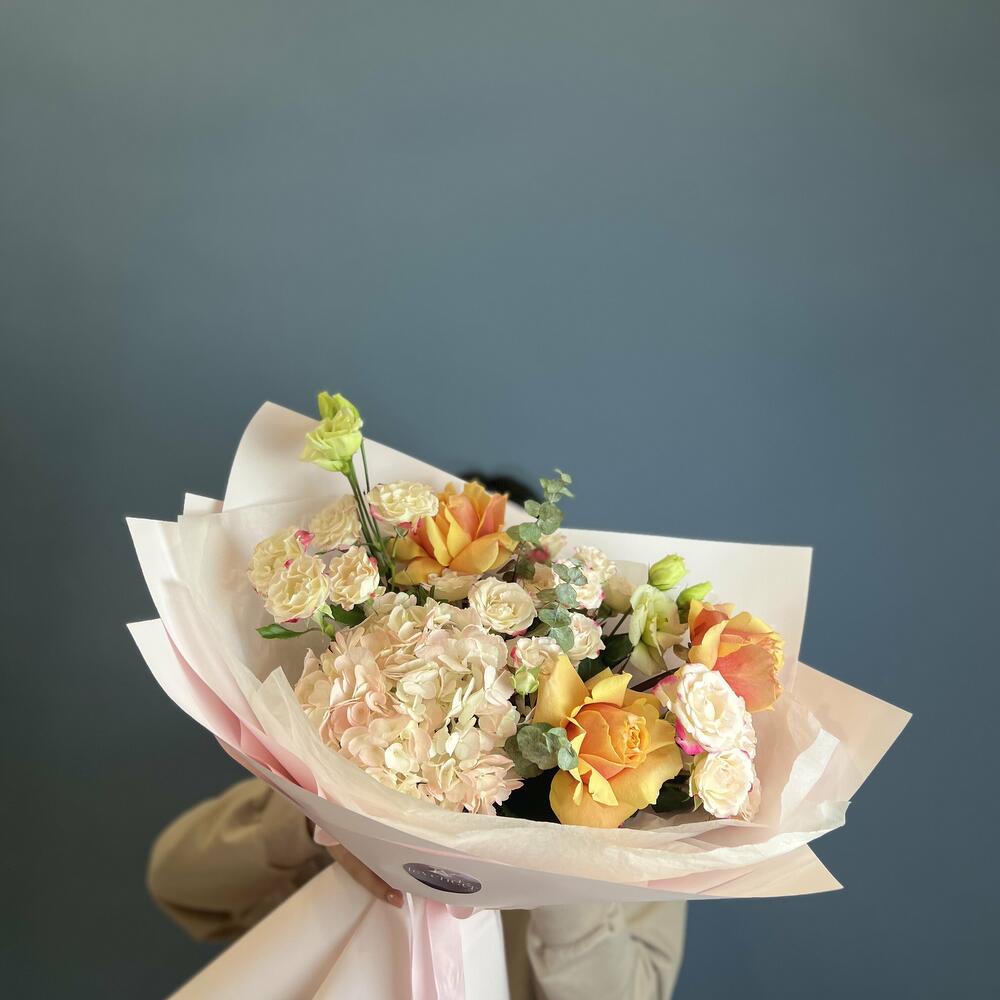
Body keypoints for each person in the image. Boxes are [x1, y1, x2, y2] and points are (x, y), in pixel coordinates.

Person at [148, 778, 686, 999]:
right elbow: (178, 883)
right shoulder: (364, 764)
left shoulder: (642, 829)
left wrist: (567, 866)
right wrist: (321, 820)